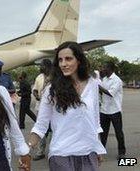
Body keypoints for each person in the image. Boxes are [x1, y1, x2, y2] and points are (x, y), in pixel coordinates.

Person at [29, 41, 106, 171]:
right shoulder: (51, 90)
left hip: (88, 153)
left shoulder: (92, 84)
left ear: (79, 60)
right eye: (60, 60)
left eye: (68, 59)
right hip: (61, 155)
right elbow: (41, 125)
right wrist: (27, 147)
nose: (63, 64)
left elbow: (95, 121)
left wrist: (97, 147)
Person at [100, 61, 126, 159]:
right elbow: (101, 92)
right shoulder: (105, 79)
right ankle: (101, 151)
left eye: (104, 67)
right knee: (103, 133)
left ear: (110, 69)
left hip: (115, 110)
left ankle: (122, 153)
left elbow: (110, 93)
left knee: (118, 132)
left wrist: (98, 87)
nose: (103, 69)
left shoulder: (116, 80)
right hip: (104, 110)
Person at [32, 59, 53, 161]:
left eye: (41, 65)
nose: (40, 67)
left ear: (47, 66)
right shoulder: (39, 77)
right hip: (40, 107)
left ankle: (53, 152)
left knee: (54, 130)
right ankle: (40, 152)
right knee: (41, 130)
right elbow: (35, 90)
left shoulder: (55, 77)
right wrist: (36, 96)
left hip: (53, 110)